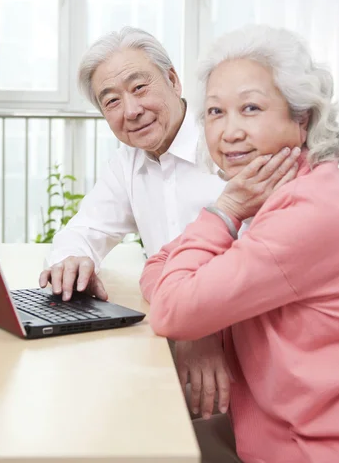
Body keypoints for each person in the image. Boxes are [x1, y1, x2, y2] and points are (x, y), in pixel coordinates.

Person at [39, 26, 299, 420]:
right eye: (111, 101)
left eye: (139, 87)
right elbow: (86, 229)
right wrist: (72, 259)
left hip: (264, 344)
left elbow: (262, 265)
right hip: (182, 331)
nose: (131, 110)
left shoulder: (230, 143)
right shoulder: (129, 162)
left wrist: (197, 324)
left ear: (173, 80)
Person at [143, 25, 339, 463]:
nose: (229, 132)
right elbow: (160, 264)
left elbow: (172, 304)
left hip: (318, 447)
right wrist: (200, 319)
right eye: (214, 112)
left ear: (300, 118)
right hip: (268, 430)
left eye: (250, 108)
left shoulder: (313, 209)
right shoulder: (274, 189)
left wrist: (224, 211)